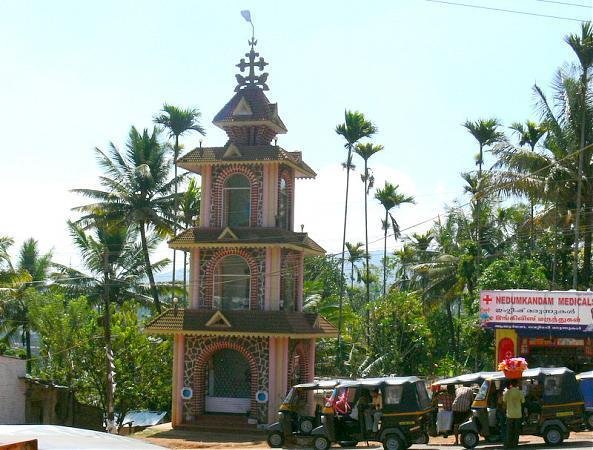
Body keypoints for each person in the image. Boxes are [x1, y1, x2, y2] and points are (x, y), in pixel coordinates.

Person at [503, 379, 525, 449]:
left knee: (509, 431)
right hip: (518, 414)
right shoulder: (520, 392)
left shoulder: (507, 392)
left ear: (511, 384)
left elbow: (504, 400)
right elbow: (523, 401)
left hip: (509, 414)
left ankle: (509, 446)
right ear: (517, 384)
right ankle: (515, 445)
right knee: (516, 431)